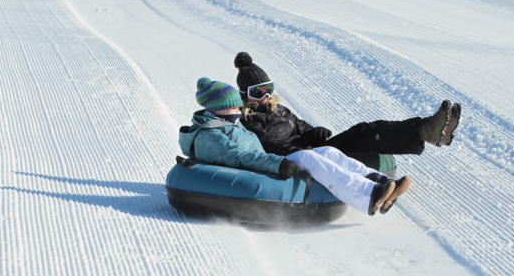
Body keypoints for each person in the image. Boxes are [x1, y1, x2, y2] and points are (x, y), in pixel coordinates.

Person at [181, 78, 413, 216]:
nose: (236, 111)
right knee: (310, 159)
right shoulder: (210, 135)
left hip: (265, 161)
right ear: (215, 109)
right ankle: (370, 197)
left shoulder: (223, 125)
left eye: (235, 107)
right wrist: (278, 162)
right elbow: (239, 157)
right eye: (231, 107)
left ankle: (380, 183)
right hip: (262, 167)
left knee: (328, 152)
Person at [233, 52, 461, 157]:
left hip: (313, 150)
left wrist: (314, 133)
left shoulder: (279, 109)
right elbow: (270, 147)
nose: (265, 95)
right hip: (299, 159)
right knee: (361, 137)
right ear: (245, 95)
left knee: (365, 130)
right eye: (257, 91)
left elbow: (302, 127)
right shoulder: (246, 121)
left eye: (268, 88)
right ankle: (425, 132)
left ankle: (427, 129)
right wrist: (305, 148)